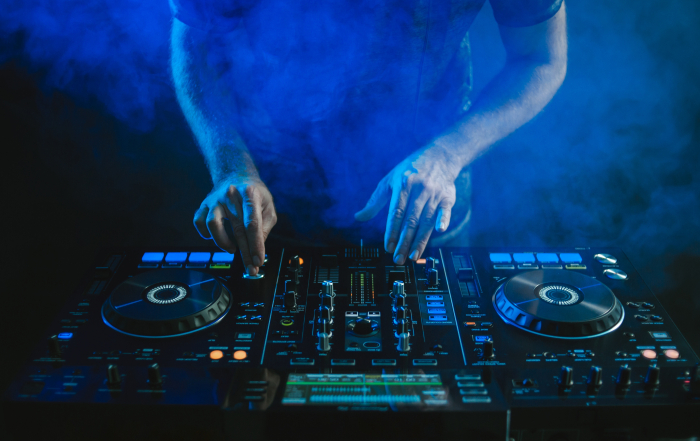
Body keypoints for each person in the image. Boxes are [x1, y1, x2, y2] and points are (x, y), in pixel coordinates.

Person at [170, 0, 567, 276]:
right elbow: (193, 41)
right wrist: (231, 166)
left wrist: (445, 156)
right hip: (267, 208)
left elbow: (540, 59)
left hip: (426, 200)